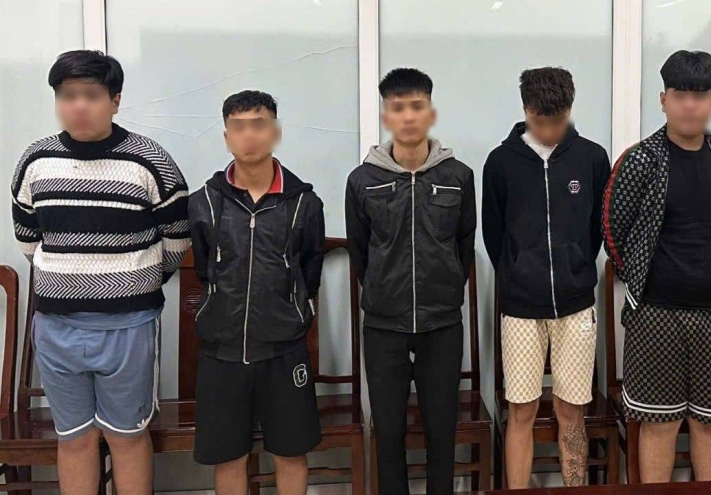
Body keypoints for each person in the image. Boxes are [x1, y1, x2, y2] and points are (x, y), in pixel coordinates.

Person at [10, 50, 189, 495]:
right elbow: (29, 238)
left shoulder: (149, 160)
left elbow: (176, 239)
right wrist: (71, 279)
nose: (79, 106)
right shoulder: (35, 161)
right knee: (74, 439)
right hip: (56, 328)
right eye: (67, 95)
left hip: (128, 326)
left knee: (127, 437)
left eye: (91, 95)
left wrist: (132, 284)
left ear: (115, 100)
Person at [602, 50, 711, 483]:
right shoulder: (641, 160)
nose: (690, 105)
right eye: (681, 94)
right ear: (663, 99)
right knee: (658, 424)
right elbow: (613, 232)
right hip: (655, 314)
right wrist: (642, 282)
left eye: (700, 95)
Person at [345, 68, 476, 495]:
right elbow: (360, 253)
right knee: (388, 432)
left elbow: (464, 244)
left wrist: (448, 287)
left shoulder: (458, 176)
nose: (407, 116)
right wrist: (383, 291)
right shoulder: (363, 180)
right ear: (386, 115)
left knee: (442, 430)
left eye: (416, 106)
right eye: (397, 108)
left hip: (442, 323)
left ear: (430, 112)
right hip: (384, 326)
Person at [188, 90, 325, 495]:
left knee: (291, 453)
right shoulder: (203, 203)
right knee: (229, 456)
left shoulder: (304, 204)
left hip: (284, 350)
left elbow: (310, 269)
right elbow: (205, 269)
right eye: (239, 127)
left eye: (259, 125)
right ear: (226, 136)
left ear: (275, 132)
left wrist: (292, 311)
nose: (249, 135)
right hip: (222, 351)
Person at [482, 67, 610, 488]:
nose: (551, 131)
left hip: (576, 306)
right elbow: (494, 233)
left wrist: (577, 266)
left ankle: (574, 488)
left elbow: (596, 228)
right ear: (525, 111)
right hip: (520, 308)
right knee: (521, 410)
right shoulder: (501, 162)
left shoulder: (591, 158)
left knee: (571, 410)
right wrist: (517, 273)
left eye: (559, 121)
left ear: (570, 109)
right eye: (541, 122)